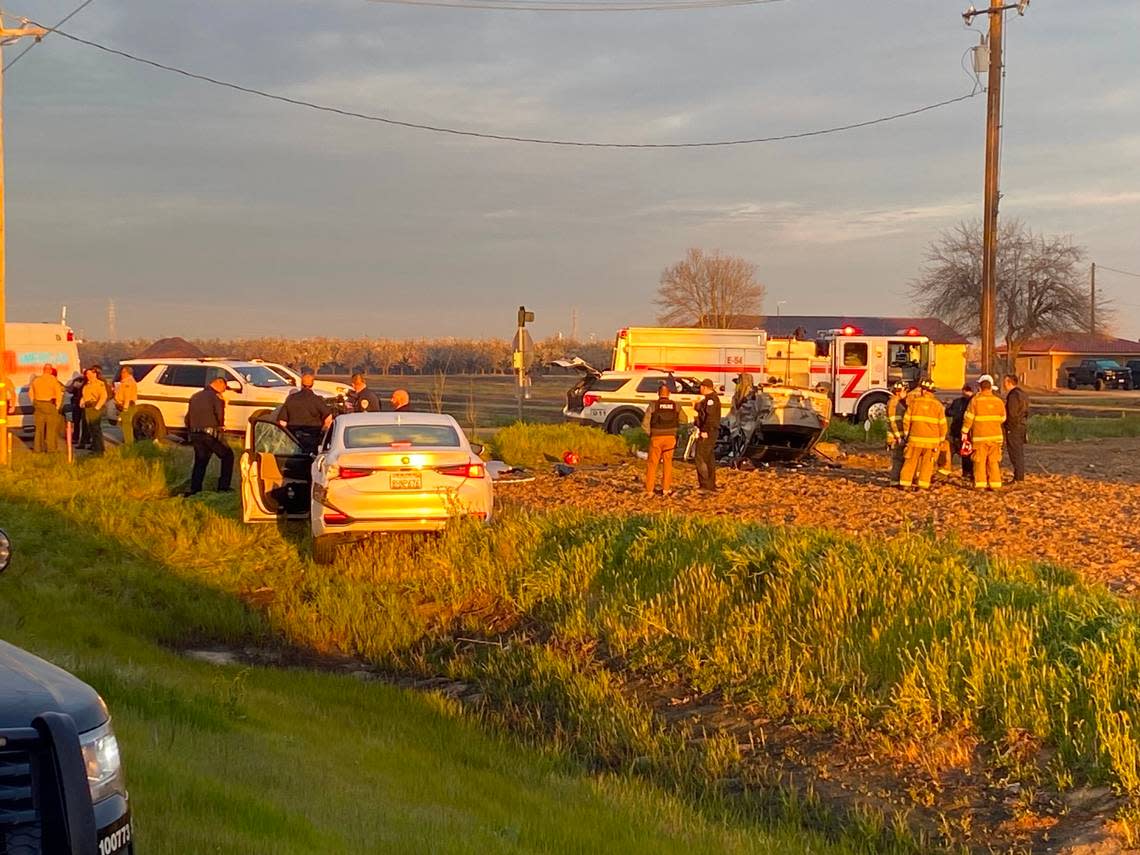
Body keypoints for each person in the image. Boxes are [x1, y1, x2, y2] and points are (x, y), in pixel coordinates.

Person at [184, 377, 233, 495]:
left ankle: (195, 489)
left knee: (200, 461)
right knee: (228, 456)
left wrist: (191, 432)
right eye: (224, 388)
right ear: (219, 384)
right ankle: (223, 487)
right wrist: (221, 426)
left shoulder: (195, 396)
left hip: (195, 433)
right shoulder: (217, 397)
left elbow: (187, 418)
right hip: (210, 434)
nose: (224, 391)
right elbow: (219, 415)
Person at [898, 378, 946, 490]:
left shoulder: (914, 403)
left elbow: (906, 421)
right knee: (927, 464)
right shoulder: (938, 405)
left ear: (923, 390)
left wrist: (906, 436)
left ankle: (905, 484)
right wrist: (941, 440)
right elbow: (943, 425)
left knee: (910, 462)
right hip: (932, 442)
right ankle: (923, 485)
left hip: (915, 440)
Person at [963, 374, 1007, 491]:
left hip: (980, 437)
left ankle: (980, 485)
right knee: (993, 461)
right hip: (996, 437)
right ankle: (995, 485)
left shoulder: (975, 401)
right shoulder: (998, 401)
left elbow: (969, 418)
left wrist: (964, 431)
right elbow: (1003, 418)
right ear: (991, 387)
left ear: (980, 388)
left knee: (979, 461)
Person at [642, 383, 685, 496]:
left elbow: (645, 423)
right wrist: (675, 430)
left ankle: (650, 490)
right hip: (670, 438)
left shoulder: (653, 405)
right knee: (668, 463)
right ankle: (666, 489)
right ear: (669, 394)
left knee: (652, 464)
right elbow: (684, 419)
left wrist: (649, 434)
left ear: (658, 393)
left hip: (656, 437)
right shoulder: (676, 405)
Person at [276, 372, 333, 453]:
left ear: (301, 383)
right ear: (312, 384)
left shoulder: (291, 399)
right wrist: (323, 431)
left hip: (293, 440)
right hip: (312, 440)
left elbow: (282, 422)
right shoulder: (316, 400)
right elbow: (328, 417)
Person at [693, 378, 721, 491]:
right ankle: (710, 484)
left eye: (701, 387)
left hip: (708, 431)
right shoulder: (710, 399)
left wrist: (704, 430)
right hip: (711, 431)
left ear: (704, 387)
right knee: (709, 458)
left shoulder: (711, 400)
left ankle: (705, 484)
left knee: (700, 457)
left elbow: (709, 417)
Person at [945, 383, 976, 481]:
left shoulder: (967, 402)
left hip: (962, 432)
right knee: (963, 453)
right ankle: (966, 473)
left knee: (961, 453)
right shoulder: (969, 402)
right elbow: (948, 412)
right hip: (961, 432)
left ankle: (965, 473)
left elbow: (948, 412)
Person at [29, 363, 62, 453]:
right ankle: (51, 449)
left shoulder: (36, 380)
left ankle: (38, 448)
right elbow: (58, 393)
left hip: (38, 405)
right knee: (51, 428)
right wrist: (58, 406)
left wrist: (34, 402)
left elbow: (31, 393)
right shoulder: (53, 380)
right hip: (50, 405)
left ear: (43, 370)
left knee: (39, 429)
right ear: (50, 371)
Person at [1002, 374, 1029, 483]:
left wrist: (1008, 427)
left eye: (1005, 382)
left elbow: (1012, 414)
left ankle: (1018, 477)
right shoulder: (1023, 394)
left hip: (1014, 428)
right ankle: (1019, 476)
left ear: (1009, 383)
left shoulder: (1013, 395)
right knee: (1019, 452)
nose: (1003, 385)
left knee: (1015, 452)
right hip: (1021, 426)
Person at [80, 366, 108, 456]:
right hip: (87, 407)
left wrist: (97, 407)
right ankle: (95, 447)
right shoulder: (87, 384)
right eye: (86, 374)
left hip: (94, 407)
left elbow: (103, 396)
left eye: (89, 373)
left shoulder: (99, 384)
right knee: (91, 429)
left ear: (94, 374)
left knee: (96, 429)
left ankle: (99, 450)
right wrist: (82, 402)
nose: (87, 375)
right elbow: (84, 396)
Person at [885, 380, 908, 486]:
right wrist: (898, 437)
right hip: (895, 436)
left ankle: (896, 480)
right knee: (898, 459)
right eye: (905, 391)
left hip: (898, 435)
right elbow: (893, 421)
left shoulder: (897, 402)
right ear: (901, 391)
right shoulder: (894, 403)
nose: (906, 393)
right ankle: (894, 481)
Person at [114, 366, 138, 446]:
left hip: (126, 406)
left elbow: (127, 396)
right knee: (124, 424)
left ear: (127, 373)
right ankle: (128, 441)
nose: (121, 374)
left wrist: (125, 407)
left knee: (126, 425)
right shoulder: (125, 382)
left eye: (123, 372)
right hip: (123, 405)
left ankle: (129, 443)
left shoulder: (128, 382)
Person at [68, 375, 89, 448]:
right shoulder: (77, 383)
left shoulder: (88, 384)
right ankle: (77, 437)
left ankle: (85, 438)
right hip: (77, 403)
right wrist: (74, 383)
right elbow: (70, 390)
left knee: (84, 422)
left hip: (83, 404)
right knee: (77, 421)